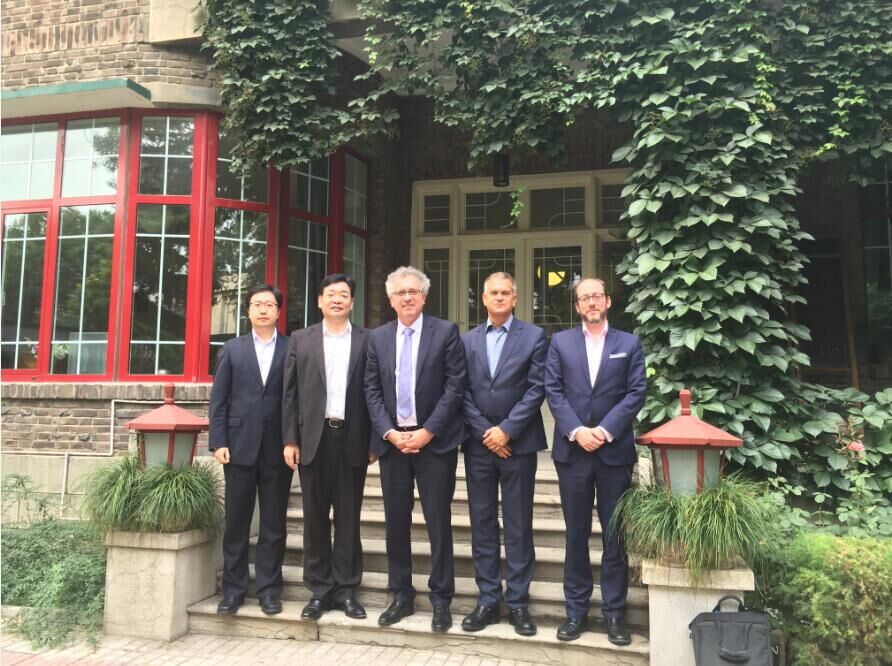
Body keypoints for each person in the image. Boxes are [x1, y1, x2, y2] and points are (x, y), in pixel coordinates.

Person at [364, 265, 467, 633]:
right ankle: (401, 594)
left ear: (424, 296)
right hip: (393, 445)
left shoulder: (446, 332)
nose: (407, 297)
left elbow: (455, 386)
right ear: (391, 300)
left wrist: (429, 431)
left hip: (434, 445)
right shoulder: (377, 338)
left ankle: (441, 598)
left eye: (413, 291)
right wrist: (389, 433)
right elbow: (371, 390)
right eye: (400, 292)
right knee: (396, 522)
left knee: (438, 521)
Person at [544, 277, 646, 645]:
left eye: (597, 296)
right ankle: (576, 613)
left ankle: (615, 614)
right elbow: (553, 390)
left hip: (613, 454)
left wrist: (603, 431)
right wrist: (577, 431)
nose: (591, 302)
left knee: (615, 536)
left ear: (608, 301)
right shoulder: (560, 343)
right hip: (572, 454)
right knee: (576, 535)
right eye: (584, 298)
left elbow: (636, 392)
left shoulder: (628, 343)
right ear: (577, 306)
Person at [460, 272, 547, 637]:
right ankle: (487, 599)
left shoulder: (535, 337)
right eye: (493, 292)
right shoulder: (466, 340)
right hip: (479, 446)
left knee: (518, 524)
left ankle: (518, 603)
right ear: (483, 298)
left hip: (519, 445)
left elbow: (537, 388)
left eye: (505, 293)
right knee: (481, 523)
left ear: (515, 298)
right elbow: (460, 389)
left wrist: (507, 430)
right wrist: (486, 431)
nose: (499, 297)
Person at [282, 274, 373, 621]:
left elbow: (375, 392)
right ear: (319, 301)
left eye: (344, 294)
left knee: (348, 517)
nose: (337, 299)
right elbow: (289, 393)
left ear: (352, 302)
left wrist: (374, 441)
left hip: (352, 438)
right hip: (312, 440)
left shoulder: (367, 340)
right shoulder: (300, 339)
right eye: (331, 294)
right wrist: (290, 439)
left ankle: (347, 590)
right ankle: (319, 591)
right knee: (314, 518)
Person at [208, 284, 292, 616]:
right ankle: (233, 591)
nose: (263, 309)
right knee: (237, 523)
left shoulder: (291, 348)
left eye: (269, 304)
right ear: (248, 311)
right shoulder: (232, 349)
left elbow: (296, 399)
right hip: (238, 447)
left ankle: (269, 590)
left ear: (278, 311)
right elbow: (219, 400)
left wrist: (293, 441)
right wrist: (219, 441)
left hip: (278, 449)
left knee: (274, 525)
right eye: (257, 304)